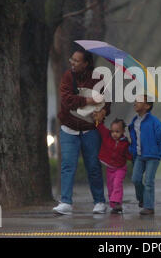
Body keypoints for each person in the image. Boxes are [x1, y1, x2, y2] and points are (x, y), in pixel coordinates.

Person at [53, 48, 111, 215]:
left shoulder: (98, 79)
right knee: (67, 165)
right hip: (68, 128)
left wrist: (102, 112)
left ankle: (99, 202)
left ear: (86, 63)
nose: (73, 62)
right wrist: (88, 100)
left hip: (89, 129)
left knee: (93, 166)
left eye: (77, 60)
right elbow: (67, 100)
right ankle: (65, 202)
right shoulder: (67, 77)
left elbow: (107, 104)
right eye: (72, 59)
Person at [129, 95, 161, 215]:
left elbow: (160, 137)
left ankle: (149, 207)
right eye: (135, 101)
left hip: (153, 155)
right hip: (139, 155)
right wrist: (132, 151)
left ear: (147, 106)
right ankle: (142, 199)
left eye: (139, 101)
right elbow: (134, 139)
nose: (135, 103)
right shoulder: (134, 121)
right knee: (136, 179)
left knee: (148, 181)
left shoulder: (154, 121)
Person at [94, 116, 132, 214]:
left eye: (117, 131)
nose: (114, 134)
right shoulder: (107, 136)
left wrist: (134, 159)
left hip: (120, 168)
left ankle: (118, 203)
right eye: (113, 131)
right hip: (109, 168)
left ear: (123, 131)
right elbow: (100, 127)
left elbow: (129, 155)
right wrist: (97, 119)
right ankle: (114, 205)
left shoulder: (125, 143)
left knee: (117, 184)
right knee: (111, 186)